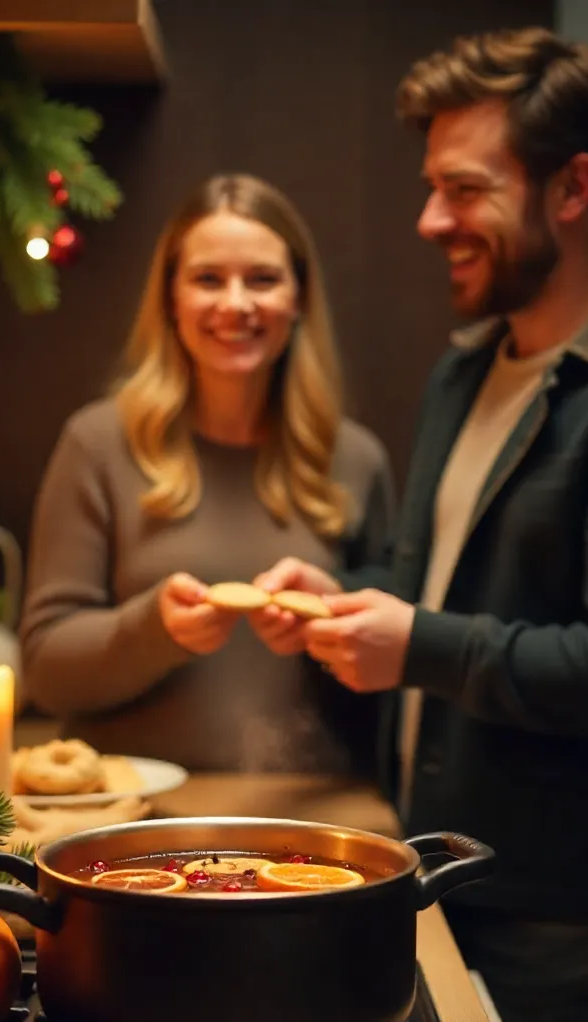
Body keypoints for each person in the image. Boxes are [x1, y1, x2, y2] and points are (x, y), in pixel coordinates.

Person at [252, 28, 588, 1022]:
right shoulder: (464, 371)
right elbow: (438, 585)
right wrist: (335, 593)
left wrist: (414, 642)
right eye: (429, 187)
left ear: (574, 187)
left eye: (464, 188)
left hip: (552, 910)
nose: (428, 220)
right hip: (429, 869)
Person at [20, 173, 394, 773]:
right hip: (134, 824)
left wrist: (329, 626)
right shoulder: (96, 445)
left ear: (299, 298)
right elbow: (46, 673)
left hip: (306, 810)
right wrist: (153, 631)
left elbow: (388, 667)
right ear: (170, 298)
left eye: (264, 279)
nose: (236, 304)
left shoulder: (355, 459)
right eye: (208, 279)